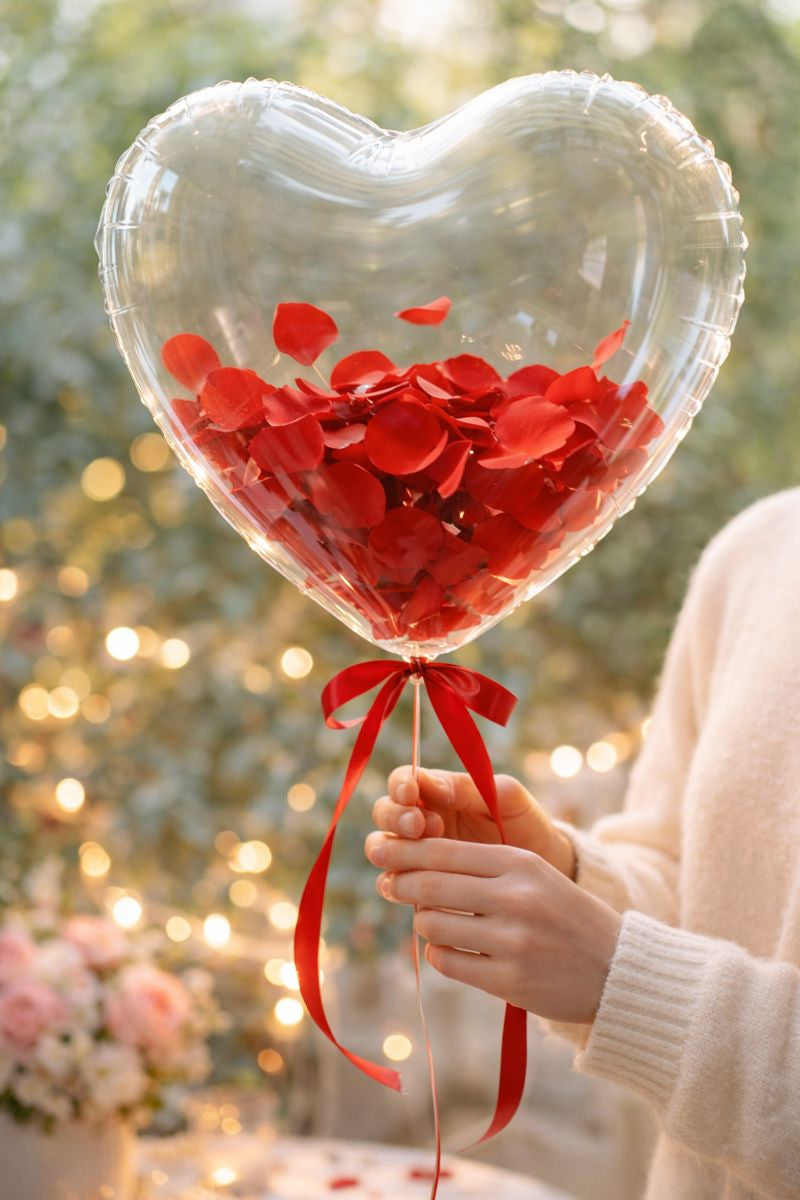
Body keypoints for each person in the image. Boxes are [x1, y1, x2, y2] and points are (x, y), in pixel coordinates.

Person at [364, 488, 800, 1200]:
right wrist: (567, 877)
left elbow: (634, 963)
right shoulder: (760, 552)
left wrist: (617, 975)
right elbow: (682, 866)